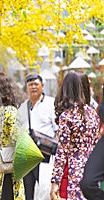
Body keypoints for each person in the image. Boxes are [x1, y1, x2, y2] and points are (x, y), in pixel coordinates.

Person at [50, 71, 99, 200]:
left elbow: (62, 151)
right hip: (91, 171)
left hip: (74, 171)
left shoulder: (67, 116)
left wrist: (55, 182)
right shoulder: (93, 113)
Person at [18, 72, 58, 200]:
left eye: (36, 84)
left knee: (45, 191)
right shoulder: (23, 107)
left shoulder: (51, 104)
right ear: (26, 87)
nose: (33, 87)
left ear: (42, 86)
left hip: (45, 156)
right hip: (27, 157)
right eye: (30, 84)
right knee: (27, 192)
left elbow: (57, 129)